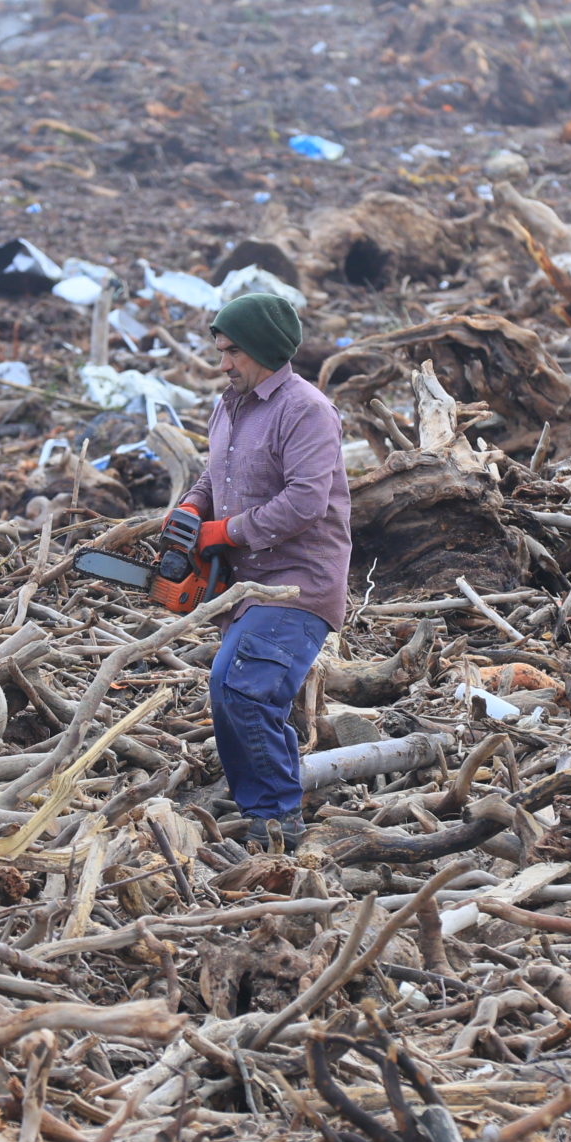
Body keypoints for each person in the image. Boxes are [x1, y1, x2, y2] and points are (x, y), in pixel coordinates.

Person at [170, 290, 351, 850]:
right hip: (242, 585)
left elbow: (304, 502)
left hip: (298, 582)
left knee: (241, 685)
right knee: (234, 685)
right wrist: (191, 509)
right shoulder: (229, 404)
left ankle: (276, 820)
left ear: (265, 351)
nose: (223, 363)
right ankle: (260, 802)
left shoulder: (306, 410)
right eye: (221, 351)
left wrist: (224, 532)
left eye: (233, 353)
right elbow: (214, 478)